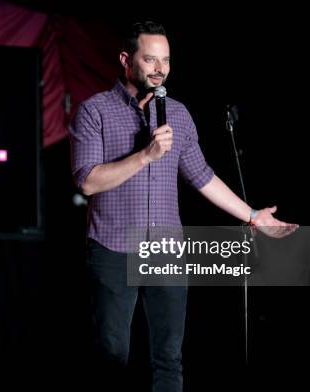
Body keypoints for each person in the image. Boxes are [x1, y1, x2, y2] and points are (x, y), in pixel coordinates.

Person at [69, 21, 297, 391]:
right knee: (111, 357)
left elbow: (202, 175)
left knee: (169, 358)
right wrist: (146, 155)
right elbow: (88, 180)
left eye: (166, 60)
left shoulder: (178, 114)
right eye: (150, 59)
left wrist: (254, 216)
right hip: (112, 248)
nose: (159, 69)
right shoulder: (95, 111)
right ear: (126, 60)